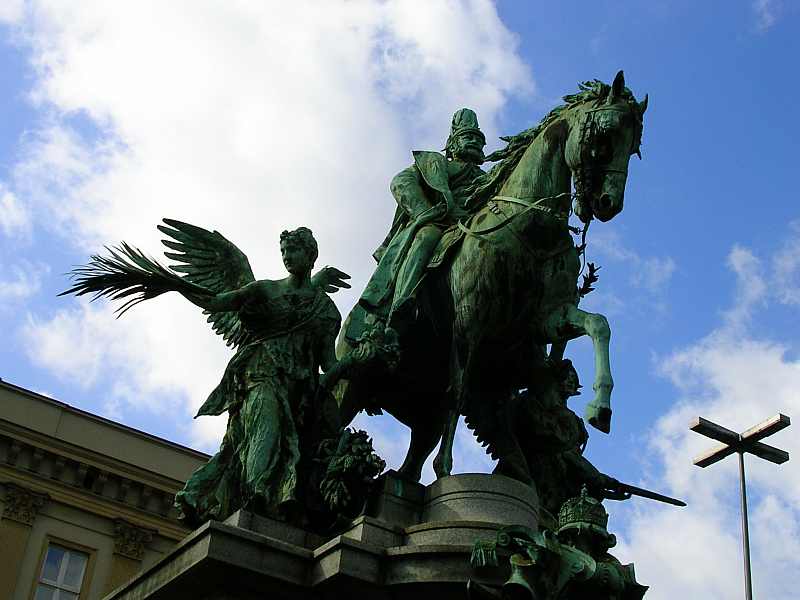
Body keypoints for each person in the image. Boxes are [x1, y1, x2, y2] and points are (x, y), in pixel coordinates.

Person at [174, 227, 342, 525]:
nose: (288, 257)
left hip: (295, 390)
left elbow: (330, 364)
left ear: (311, 254)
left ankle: (196, 492)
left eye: (294, 250)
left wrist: (364, 356)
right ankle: (256, 498)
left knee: (244, 444)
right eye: (284, 252)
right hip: (258, 373)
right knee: (266, 432)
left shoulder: (326, 311)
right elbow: (216, 302)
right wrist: (173, 285)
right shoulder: (264, 290)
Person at [354, 108, 487, 336]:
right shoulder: (434, 162)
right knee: (427, 237)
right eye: (469, 137)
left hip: (475, 226)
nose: (475, 141)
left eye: (479, 139)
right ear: (453, 145)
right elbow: (401, 181)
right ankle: (401, 303)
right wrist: (427, 211)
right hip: (440, 223)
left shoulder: (488, 178)